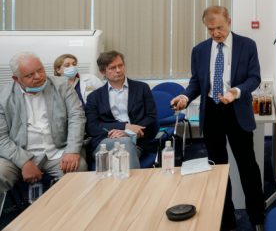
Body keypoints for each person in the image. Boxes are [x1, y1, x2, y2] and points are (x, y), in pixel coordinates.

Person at [171, 6, 265, 230]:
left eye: (219, 28)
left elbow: (254, 78)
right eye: (210, 29)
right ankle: (226, 218)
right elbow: (196, 82)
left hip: (236, 110)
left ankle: (258, 218)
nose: (215, 33)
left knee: (247, 167)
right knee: (217, 168)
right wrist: (185, 96)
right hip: (212, 112)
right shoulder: (199, 50)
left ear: (229, 21)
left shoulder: (247, 45)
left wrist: (235, 92)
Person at [0, 52, 87, 194]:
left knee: (78, 168)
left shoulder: (62, 85)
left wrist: (72, 150)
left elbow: (76, 116)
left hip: (57, 151)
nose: (38, 76)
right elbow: (1, 138)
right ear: (16, 79)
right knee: (1, 173)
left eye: (40, 70)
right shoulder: (3, 96)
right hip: (18, 153)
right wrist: (24, 162)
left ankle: (66, 208)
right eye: (30, 75)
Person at [84, 50, 158, 169]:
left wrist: (128, 133)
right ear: (103, 72)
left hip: (137, 141)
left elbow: (151, 117)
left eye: (120, 65)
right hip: (106, 141)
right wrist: (124, 127)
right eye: (113, 68)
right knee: (123, 147)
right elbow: (92, 126)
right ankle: (133, 181)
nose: (118, 70)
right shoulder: (94, 97)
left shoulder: (142, 88)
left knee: (124, 148)